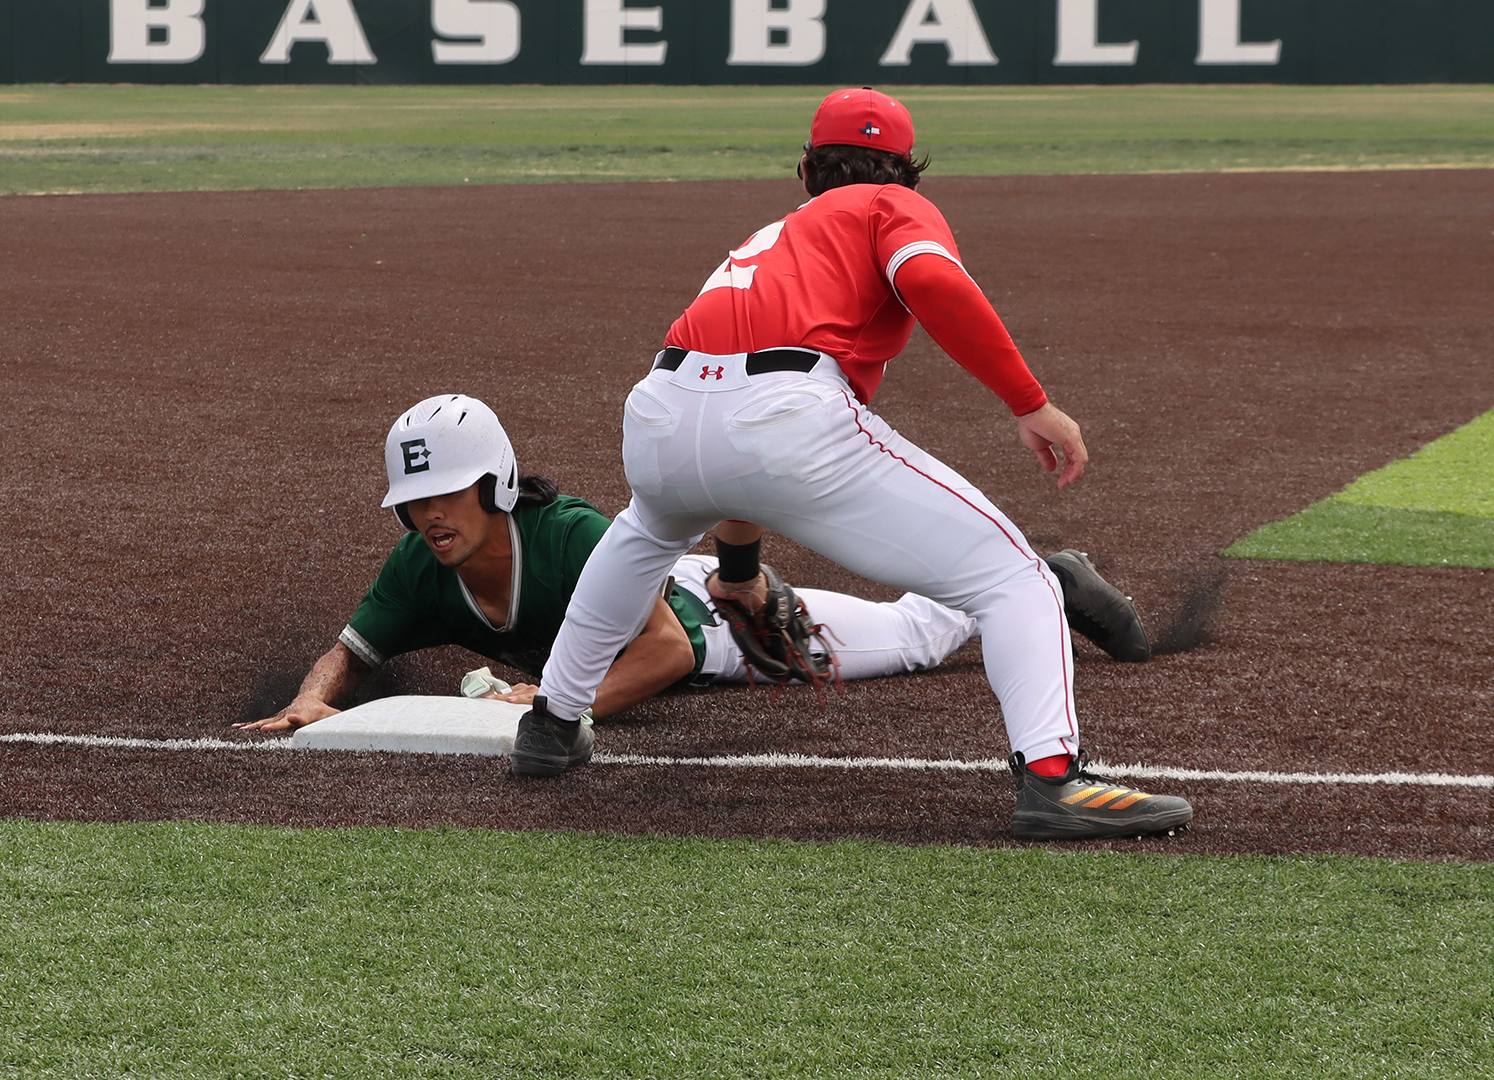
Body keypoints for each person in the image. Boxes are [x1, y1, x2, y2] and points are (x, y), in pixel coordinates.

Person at [516, 88, 1193, 842]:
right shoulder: (887, 205)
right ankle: (1053, 780)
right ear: (907, 172)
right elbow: (932, 282)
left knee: (645, 532)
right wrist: (1029, 402)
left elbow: (724, 439)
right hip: (786, 410)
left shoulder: (768, 239)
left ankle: (552, 724)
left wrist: (737, 570)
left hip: (661, 408)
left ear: (806, 169)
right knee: (1016, 579)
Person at [238, 394, 1145, 738]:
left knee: (914, 637)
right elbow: (353, 649)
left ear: (495, 484)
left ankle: (1044, 579)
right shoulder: (417, 565)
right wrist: (314, 697)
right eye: (415, 500)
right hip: (676, 611)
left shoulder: (568, 534)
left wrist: (558, 704)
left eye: (448, 493)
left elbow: (668, 650)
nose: (429, 514)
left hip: (719, 630)